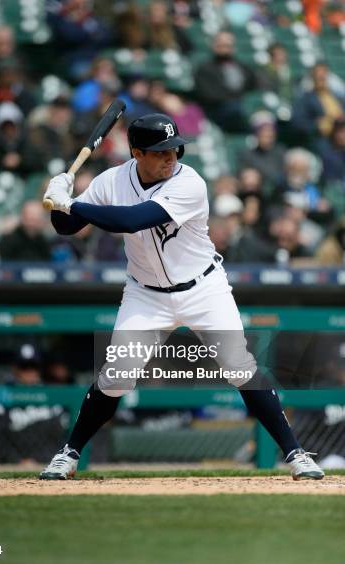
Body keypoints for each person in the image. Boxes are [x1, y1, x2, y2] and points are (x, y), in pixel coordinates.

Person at [39, 112, 324, 481]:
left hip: (204, 288)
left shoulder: (189, 182)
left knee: (241, 367)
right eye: (160, 151)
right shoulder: (113, 180)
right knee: (118, 374)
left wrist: (70, 203)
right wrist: (60, 194)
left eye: (174, 148)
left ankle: (296, 454)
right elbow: (66, 227)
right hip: (146, 295)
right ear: (137, 153)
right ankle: (68, 453)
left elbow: (130, 220)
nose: (171, 157)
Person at [193, 30, 259, 132]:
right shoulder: (205, 69)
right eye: (221, 44)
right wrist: (235, 98)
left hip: (240, 107)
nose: (225, 47)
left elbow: (255, 85)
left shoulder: (242, 67)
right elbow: (209, 95)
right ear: (214, 45)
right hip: (219, 111)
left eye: (228, 44)